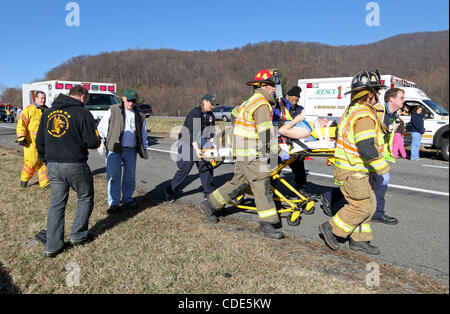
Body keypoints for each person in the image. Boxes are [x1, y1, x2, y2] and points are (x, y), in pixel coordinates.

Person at [199, 69, 284, 239]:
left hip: (242, 151)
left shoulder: (249, 101)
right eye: (272, 85)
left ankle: (209, 205)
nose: (275, 88)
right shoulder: (261, 104)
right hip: (251, 153)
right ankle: (267, 224)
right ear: (263, 86)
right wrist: (278, 151)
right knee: (262, 183)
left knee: (239, 182)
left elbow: (235, 114)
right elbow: (266, 133)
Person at [318, 69, 390, 255]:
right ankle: (331, 228)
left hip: (357, 168)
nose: (378, 96)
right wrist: (382, 168)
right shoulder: (363, 115)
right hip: (353, 170)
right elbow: (366, 146)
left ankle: (360, 239)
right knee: (361, 205)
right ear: (369, 94)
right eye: (376, 92)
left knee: (371, 203)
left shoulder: (356, 110)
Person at [36, 85, 101, 258]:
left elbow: (39, 141)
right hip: (75, 164)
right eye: (86, 99)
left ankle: (52, 245)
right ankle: (78, 236)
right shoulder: (83, 113)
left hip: (53, 165)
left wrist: (45, 159)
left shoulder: (48, 113)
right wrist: (97, 139)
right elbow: (91, 141)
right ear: (83, 97)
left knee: (57, 204)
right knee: (85, 197)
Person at [97, 89, 149, 214]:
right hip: (114, 149)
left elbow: (143, 132)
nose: (131, 103)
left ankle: (127, 198)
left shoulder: (139, 115)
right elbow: (102, 127)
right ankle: (113, 203)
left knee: (129, 176)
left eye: (133, 101)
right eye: (129, 100)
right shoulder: (113, 110)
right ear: (123, 99)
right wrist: (101, 142)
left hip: (131, 149)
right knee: (113, 176)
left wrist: (144, 147)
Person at [164, 93, 217, 202]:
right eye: (211, 104)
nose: (212, 106)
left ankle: (209, 193)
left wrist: (212, 147)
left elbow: (211, 134)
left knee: (206, 166)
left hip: (200, 142)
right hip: (187, 142)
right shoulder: (196, 113)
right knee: (185, 168)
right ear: (204, 101)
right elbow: (193, 135)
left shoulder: (211, 116)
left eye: (214, 105)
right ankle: (170, 191)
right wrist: (197, 150)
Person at [274, 86, 309, 193]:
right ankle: (271, 191)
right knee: (274, 169)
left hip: (293, 142)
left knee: (299, 167)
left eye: (296, 100)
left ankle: (301, 188)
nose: (294, 102)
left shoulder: (298, 110)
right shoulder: (278, 105)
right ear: (287, 96)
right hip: (278, 141)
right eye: (292, 99)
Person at [16, 91, 49, 188]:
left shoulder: (47, 110)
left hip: (44, 141)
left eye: (44, 98)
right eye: (41, 98)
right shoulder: (29, 110)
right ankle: (24, 179)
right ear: (36, 98)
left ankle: (44, 183)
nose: (43, 100)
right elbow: (21, 123)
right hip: (31, 142)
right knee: (31, 162)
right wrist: (21, 137)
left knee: (44, 162)